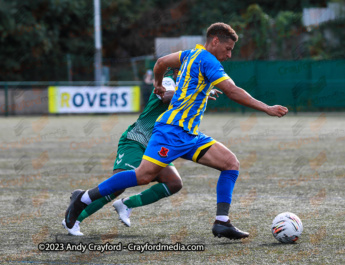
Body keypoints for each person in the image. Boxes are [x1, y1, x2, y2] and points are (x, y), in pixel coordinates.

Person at [65, 22, 288, 240]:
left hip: (189, 134)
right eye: (228, 49)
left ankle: (221, 222)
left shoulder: (190, 54)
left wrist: (158, 83)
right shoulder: (208, 60)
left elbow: (161, 61)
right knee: (143, 176)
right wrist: (266, 108)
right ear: (215, 41)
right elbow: (232, 90)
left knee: (230, 164)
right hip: (171, 131)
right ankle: (83, 198)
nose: (229, 55)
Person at [62, 69, 222, 236]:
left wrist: (201, 92)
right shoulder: (167, 81)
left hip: (156, 145)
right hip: (136, 139)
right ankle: (75, 216)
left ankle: (127, 204)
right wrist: (198, 92)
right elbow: (167, 97)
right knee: (117, 186)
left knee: (174, 183)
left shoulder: (188, 88)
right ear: (177, 70)